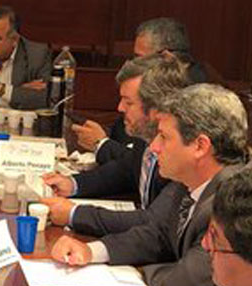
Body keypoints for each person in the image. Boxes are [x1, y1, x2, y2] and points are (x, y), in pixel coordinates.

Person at [51, 84, 252, 286]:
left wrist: (141, 272)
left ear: (200, 146)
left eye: (164, 137)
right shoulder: (193, 176)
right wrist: (92, 251)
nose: (154, 147)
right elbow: (157, 234)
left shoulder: (237, 204)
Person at [41, 54, 190, 233]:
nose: (120, 108)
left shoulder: (181, 154)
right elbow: (125, 170)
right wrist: (73, 184)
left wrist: (74, 214)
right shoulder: (145, 137)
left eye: (128, 102)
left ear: (156, 109)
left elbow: (153, 221)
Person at [72, 17, 208, 160]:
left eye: (140, 58)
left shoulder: (190, 99)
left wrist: (102, 144)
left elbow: (141, 160)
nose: (134, 63)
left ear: (166, 57)